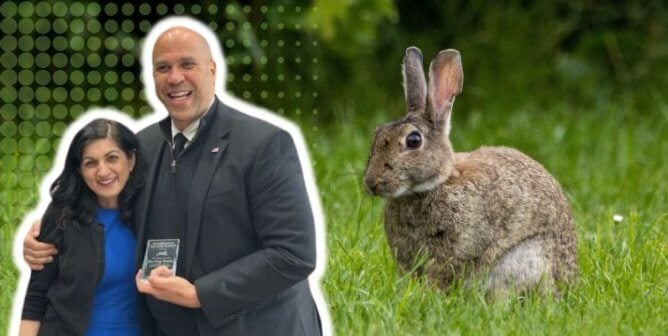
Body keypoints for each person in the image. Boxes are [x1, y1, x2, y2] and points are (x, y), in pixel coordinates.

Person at [23, 17, 323, 335]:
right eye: (163, 68)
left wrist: (200, 295)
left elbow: (293, 253)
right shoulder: (140, 147)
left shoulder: (264, 143)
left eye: (187, 64)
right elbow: (97, 199)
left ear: (212, 69)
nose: (175, 77)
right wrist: (49, 231)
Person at [20, 118, 144, 336]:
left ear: (131, 160)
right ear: (79, 170)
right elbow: (36, 295)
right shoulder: (62, 215)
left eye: (112, 158)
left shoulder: (149, 213)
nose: (103, 171)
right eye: (90, 163)